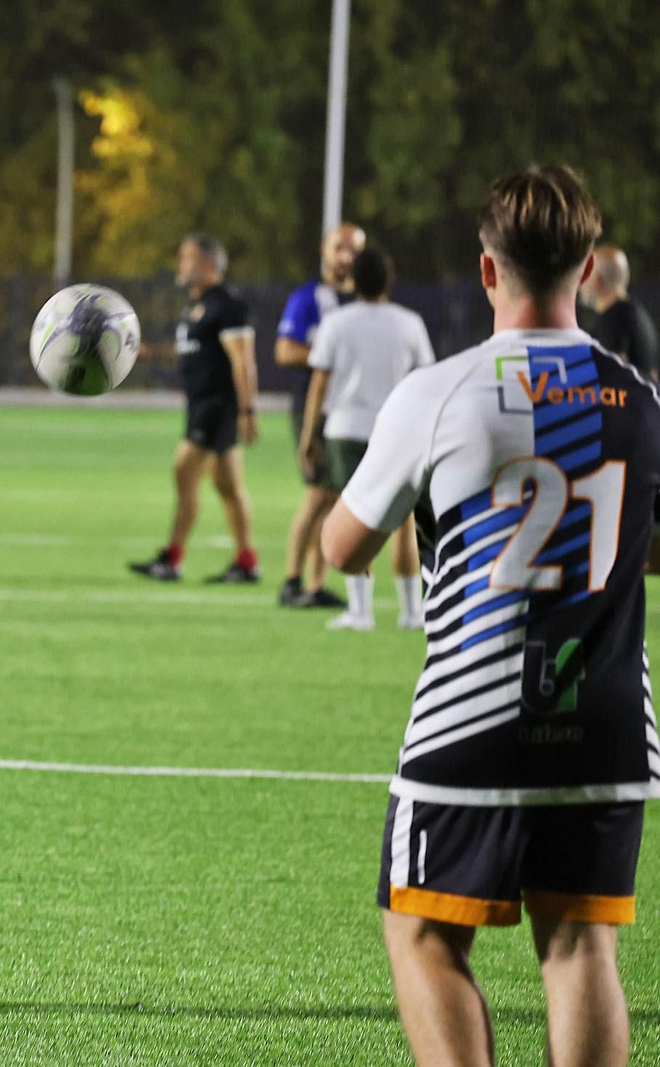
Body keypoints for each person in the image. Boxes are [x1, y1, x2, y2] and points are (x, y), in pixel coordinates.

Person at [322, 165, 658, 1067]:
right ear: (587, 267)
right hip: (607, 723)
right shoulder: (640, 399)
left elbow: (343, 549)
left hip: (476, 717)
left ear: (486, 269)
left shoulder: (440, 392)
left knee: (423, 933)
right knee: (581, 946)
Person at [297, 246, 433, 632]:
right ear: (389, 280)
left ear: (353, 280)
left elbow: (319, 382)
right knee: (405, 523)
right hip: (397, 432)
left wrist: (308, 435)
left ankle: (360, 611)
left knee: (353, 518)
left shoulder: (336, 322)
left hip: (345, 430)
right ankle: (412, 611)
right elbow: (424, 380)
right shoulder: (409, 323)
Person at [129, 234, 261, 583]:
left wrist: (248, 410)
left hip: (216, 405)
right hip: (201, 404)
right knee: (228, 486)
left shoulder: (226, 304)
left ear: (207, 263)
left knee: (184, 471)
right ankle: (247, 561)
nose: (181, 265)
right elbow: (191, 349)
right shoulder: (196, 305)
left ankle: (172, 558)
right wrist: (152, 354)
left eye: (186, 258)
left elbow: (243, 360)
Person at [274, 223, 364, 609]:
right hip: (314, 408)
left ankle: (315, 583)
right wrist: (328, 357)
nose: (345, 257)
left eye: (353, 250)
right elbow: (284, 351)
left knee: (332, 497)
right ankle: (292, 581)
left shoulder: (364, 300)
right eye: (338, 248)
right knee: (316, 495)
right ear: (323, 251)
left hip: (349, 409)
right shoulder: (308, 298)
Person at [579, 244, 658, 381]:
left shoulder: (614, 317)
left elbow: (612, 375)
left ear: (598, 281)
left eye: (586, 275)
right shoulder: (637, 313)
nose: (581, 284)